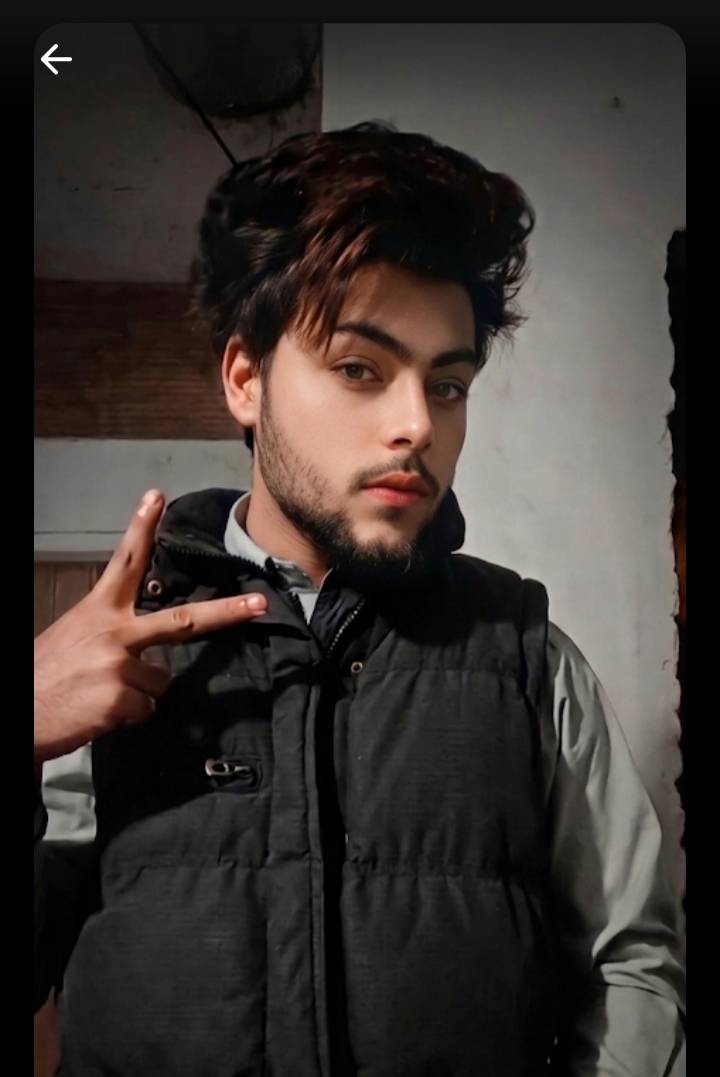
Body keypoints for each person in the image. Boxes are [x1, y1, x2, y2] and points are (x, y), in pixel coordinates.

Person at [34, 122, 685, 1076]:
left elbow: (631, 965)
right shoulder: (117, 653)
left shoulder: (526, 657)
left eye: (448, 384)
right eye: (359, 369)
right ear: (245, 377)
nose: (417, 424)